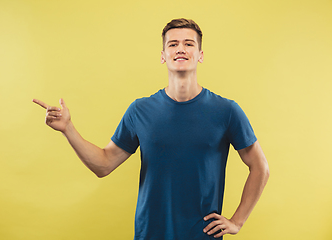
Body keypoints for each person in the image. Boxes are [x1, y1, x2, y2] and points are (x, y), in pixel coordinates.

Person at [33, 18, 269, 240]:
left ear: (200, 55)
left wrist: (237, 221)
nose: (180, 49)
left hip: (202, 235)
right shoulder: (140, 110)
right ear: (163, 56)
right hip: (150, 233)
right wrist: (68, 129)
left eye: (189, 44)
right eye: (173, 44)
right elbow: (104, 164)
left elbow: (260, 168)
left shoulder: (226, 111)